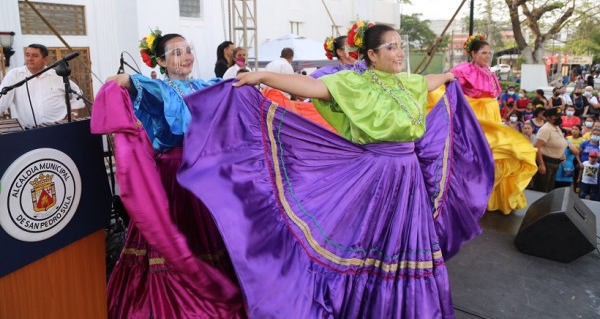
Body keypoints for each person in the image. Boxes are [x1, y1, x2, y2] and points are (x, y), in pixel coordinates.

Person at [178, 22, 494, 318]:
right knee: (373, 244)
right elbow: (309, 86)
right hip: (377, 176)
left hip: (410, 178)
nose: (399, 53)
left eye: (400, 47)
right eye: (391, 47)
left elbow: (428, 82)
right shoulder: (352, 83)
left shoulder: (407, 83)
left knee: (407, 243)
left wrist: (448, 77)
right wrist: (264, 77)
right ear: (371, 55)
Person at [93, 29, 242, 318]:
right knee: (177, 236)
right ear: (160, 61)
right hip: (175, 176)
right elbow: (124, 82)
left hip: (204, 175)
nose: (186, 57)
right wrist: (115, 85)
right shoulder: (158, 88)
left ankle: (216, 284)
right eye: (176, 53)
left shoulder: (205, 85)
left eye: (187, 50)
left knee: (208, 238)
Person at [447, 34, 537, 214]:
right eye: (483, 53)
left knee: (498, 155)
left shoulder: (489, 71)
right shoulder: (463, 69)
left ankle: (490, 198)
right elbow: (448, 85)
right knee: (479, 155)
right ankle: (469, 198)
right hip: (476, 117)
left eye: (489, 53)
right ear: (473, 53)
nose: (487, 56)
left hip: (492, 115)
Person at [0, 43, 85, 128]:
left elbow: (77, 93)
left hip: (60, 128)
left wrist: (73, 113)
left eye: (35, 56)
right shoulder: (14, 75)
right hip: (29, 131)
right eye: (27, 55)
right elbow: (1, 102)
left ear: (45, 59)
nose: (29, 59)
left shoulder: (57, 75)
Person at [532, 107, 568, 193]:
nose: (559, 118)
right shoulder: (545, 129)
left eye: (559, 116)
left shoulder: (556, 127)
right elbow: (537, 147)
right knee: (542, 189)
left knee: (549, 189)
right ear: (548, 117)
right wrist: (541, 164)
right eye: (556, 116)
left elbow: (559, 142)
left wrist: (562, 154)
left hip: (555, 162)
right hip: (546, 162)